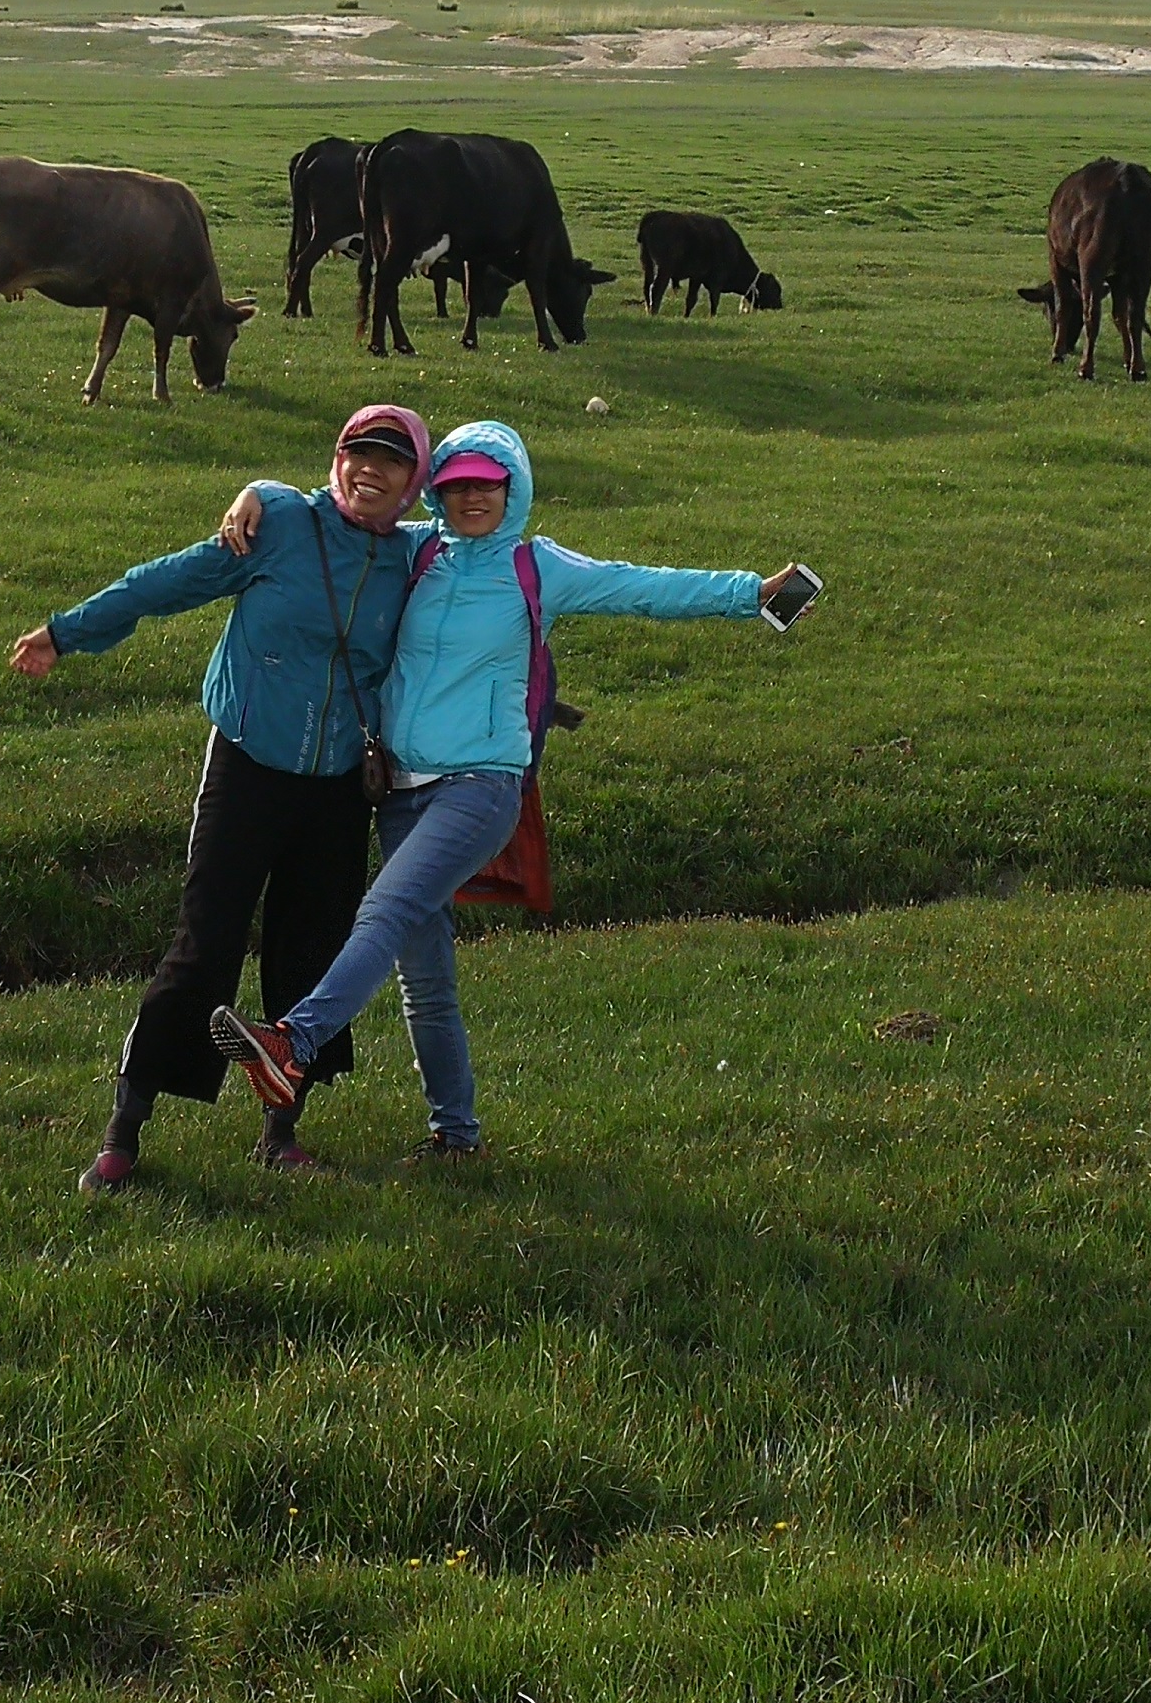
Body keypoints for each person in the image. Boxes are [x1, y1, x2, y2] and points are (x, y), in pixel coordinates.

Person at [209, 418, 791, 1158]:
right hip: (401, 790)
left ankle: (293, 1042)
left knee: (383, 908)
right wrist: (259, 491)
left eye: (488, 484)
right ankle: (456, 1136)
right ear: (437, 493)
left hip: (481, 786)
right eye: (456, 486)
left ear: (513, 489)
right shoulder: (419, 553)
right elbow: (343, 516)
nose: (472, 498)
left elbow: (645, 588)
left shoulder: (536, 567)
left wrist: (754, 594)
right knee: (425, 976)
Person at [11, 405, 434, 1192]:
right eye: (355, 453)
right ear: (334, 459)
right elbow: (168, 581)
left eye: (390, 462)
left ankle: (281, 1132)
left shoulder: (420, 559)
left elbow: (485, 561)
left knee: (311, 956)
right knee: (204, 943)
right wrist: (66, 633)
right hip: (247, 763)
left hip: (340, 784)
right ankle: (123, 1132)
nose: (368, 471)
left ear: (417, 482)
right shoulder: (273, 524)